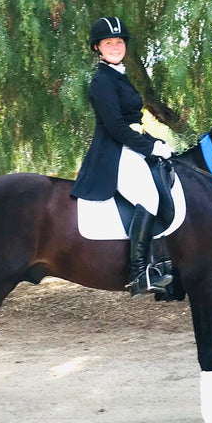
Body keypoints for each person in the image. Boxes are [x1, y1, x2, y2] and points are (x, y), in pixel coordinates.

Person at [71, 16, 174, 298]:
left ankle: (165, 264)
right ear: (97, 48)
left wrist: (156, 142)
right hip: (114, 154)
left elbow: (133, 122)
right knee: (149, 198)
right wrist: (149, 148)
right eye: (108, 43)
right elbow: (116, 127)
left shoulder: (119, 75)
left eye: (119, 42)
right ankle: (139, 271)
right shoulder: (101, 81)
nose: (115, 47)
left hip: (130, 146)